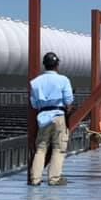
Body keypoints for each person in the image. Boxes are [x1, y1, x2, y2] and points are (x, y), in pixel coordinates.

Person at [29, 51, 74, 185]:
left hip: (42, 117)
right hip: (59, 115)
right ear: (57, 65)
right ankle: (54, 179)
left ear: (44, 65)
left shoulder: (35, 82)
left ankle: (35, 179)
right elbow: (69, 100)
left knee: (41, 148)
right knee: (58, 148)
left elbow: (34, 103)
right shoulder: (63, 80)